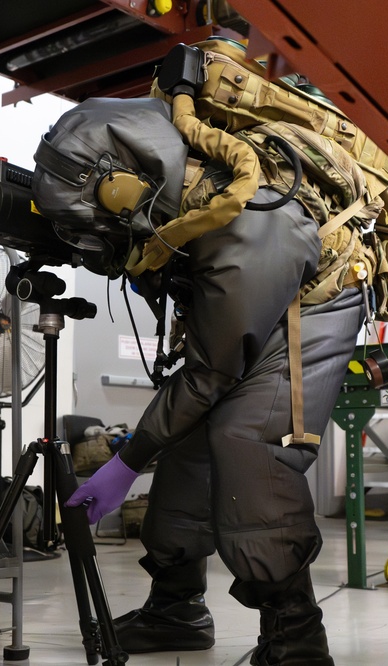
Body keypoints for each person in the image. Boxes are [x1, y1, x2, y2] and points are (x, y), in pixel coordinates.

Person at [65, 183, 367, 665]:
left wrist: (127, 461)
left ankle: (298, 636)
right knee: (190, 444)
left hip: (316, 305)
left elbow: (209, 375)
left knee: (249, 442)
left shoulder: (248, 216)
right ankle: (176, 610)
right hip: (254, 302)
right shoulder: (183, 212)